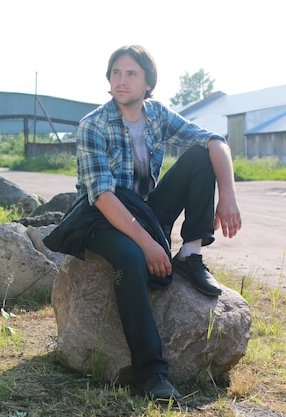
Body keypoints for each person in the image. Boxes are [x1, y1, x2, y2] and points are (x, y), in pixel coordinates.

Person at [43, 44, 242, 401]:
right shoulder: (94, 125)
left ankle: (191, 255)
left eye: (131, 73)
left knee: (200, 155)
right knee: (132, 258)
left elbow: (215, 141)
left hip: (144, 209)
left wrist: (227, 195)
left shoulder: (158, 115)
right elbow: (103, 196)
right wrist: (148, 244)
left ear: (148, 83)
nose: (121, 80)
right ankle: (152, 373)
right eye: (116, 73)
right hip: (98, 217)